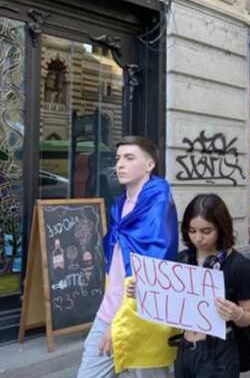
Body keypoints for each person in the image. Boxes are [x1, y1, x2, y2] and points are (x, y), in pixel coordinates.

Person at [77, 136, 179, 378]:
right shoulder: (121, 205)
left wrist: (119, 324)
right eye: (118, 158)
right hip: (109, 311)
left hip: (143, 318)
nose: (120, 164)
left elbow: (152, 271)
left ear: (150, 164)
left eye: (129, 158)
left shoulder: (158, 204)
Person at [126, 194, 250, 378]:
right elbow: (170, 305)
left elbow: (248, 316)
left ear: (221, 227)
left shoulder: (238, 265)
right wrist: (143, 292)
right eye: (192, 231)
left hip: (219, 354)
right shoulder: (183, 260)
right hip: (185, 349)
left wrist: (237, 314)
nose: (198, 238)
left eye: (206, 231)